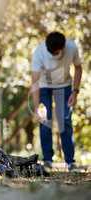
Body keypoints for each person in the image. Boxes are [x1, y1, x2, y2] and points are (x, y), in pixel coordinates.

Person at [30, 31, 82, 171]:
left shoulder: (71, 47)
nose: (56, 56)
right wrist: (36, 108)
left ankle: (70, 161)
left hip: (64, 86)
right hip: (44, 86)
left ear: (64, 47)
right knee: (45, 120)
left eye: (59, 52)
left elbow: (78, 68)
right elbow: (34, 83)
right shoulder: (39, 53)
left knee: (65, 120)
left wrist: (75, 92)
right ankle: (47, 160)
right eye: (53, 53)